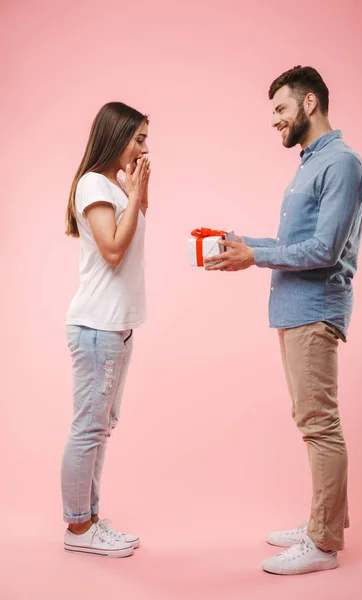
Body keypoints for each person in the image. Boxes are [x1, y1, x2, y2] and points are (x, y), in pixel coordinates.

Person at [204, 66, 362, 575]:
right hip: (295, 311)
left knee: (321, 425)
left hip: (316, 310)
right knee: (311, 423)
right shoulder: (310, 163)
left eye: (280, 108)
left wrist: (255, 257)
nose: (275, 120)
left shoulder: (341, 163)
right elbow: (299, 242)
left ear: (310, 103)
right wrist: (247, 245)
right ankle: (321, 521)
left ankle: (322, 543)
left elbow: (324, 250)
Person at [62, 102, 150, 558]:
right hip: (97, 326)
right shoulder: (94, 184)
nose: (144, 148)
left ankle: (90, 519)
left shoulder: (113, 185)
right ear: (115, 138)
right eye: (138, 139)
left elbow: (133, 226)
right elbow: (114, 250)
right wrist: (133, 195)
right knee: (89, 428)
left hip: (115, 327)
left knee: (101, 426)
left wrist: (137, 190)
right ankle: (78, 529)